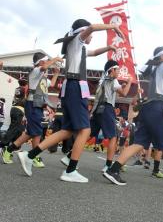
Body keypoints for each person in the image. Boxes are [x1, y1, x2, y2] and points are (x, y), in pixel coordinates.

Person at [16, 19, 124, 183]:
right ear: (82, 31)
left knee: (67, 130)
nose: (92, 37)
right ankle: (70, 170)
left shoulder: (78, 47)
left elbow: (93, 52)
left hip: (71, 88)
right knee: (85, 130)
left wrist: (109, 48)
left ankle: (30, 155)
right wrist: (113, 27)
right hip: (75, 88)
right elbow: (93, 27)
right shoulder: (77, 41)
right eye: (90, 34)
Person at [103, 46, 163, 190]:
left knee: (138, 143)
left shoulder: (152, 70)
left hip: (147, 109)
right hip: (159, 109)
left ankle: (113, 170)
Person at [3, 52, 62, 168]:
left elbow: (52, 83)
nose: (46, 63)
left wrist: (56, 73)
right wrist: (55, 59)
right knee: (37, 132)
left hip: (38, 106)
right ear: (40, 62)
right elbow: (44, 67)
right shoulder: (35, 71)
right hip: (33, 105)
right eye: (45, 60)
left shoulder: (43, 77)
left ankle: (8, 150)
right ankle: (34, 156)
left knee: (30, 133)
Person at [90, 60, 132, 173]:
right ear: (111, 70)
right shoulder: (112, 79)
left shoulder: (102, 79)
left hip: (98, 109)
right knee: (113, 137)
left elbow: (112, 92)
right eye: (117, 69)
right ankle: (108, 165)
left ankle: (70, 156)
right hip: (107, 108)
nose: (118, 72)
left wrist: (120, 86)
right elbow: (124, 94)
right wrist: (128, 83)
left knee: (89, 134)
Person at [1, 78, 27, 163]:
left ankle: (14, 147)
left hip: (15, 109)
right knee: (14, 129)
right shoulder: (24, 89)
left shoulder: (17, 89)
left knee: (20, 129)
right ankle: (3, 146)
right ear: (26, 83)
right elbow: (27, 100)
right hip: (19, 110)